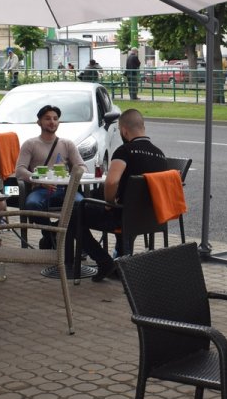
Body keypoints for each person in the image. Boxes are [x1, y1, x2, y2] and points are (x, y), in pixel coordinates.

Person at [67, 109, 166, 282]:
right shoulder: (160, 155)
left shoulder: (124, 151)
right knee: (111, 205)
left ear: (124, 131)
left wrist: (109, 202)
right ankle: (121, 261)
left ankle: (103, 261)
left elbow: (112, 182)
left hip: (123, 217)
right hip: (149, 217)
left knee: (74, 213)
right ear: (143, 127)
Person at [15, 104, 83, 248]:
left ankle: (54, 236)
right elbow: (20, 171)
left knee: (81, 204)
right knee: (32, 204)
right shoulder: (30, 144)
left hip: (65, 189)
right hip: (41, 189)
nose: (52, 122)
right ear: (39, 122)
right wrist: (40, 181)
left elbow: (82, 167)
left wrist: (70, 177)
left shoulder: (67, 144)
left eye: (55, 118)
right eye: (47, 119)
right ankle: (51, 235)